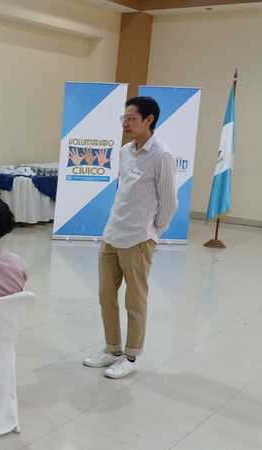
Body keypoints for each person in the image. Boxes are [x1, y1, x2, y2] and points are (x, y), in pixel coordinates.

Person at [83, 96, 177, 379]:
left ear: (149, 120)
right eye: (124, 118)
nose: (125, 123)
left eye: (132, 118)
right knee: (106, 296)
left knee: (135, 302)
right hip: (112, 233)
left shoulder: (161, 155)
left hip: (138, 239)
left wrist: (153, 234)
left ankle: (131, 356)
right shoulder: (125, 151)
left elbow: (169, 202)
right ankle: (112, 349)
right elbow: (124, 192)